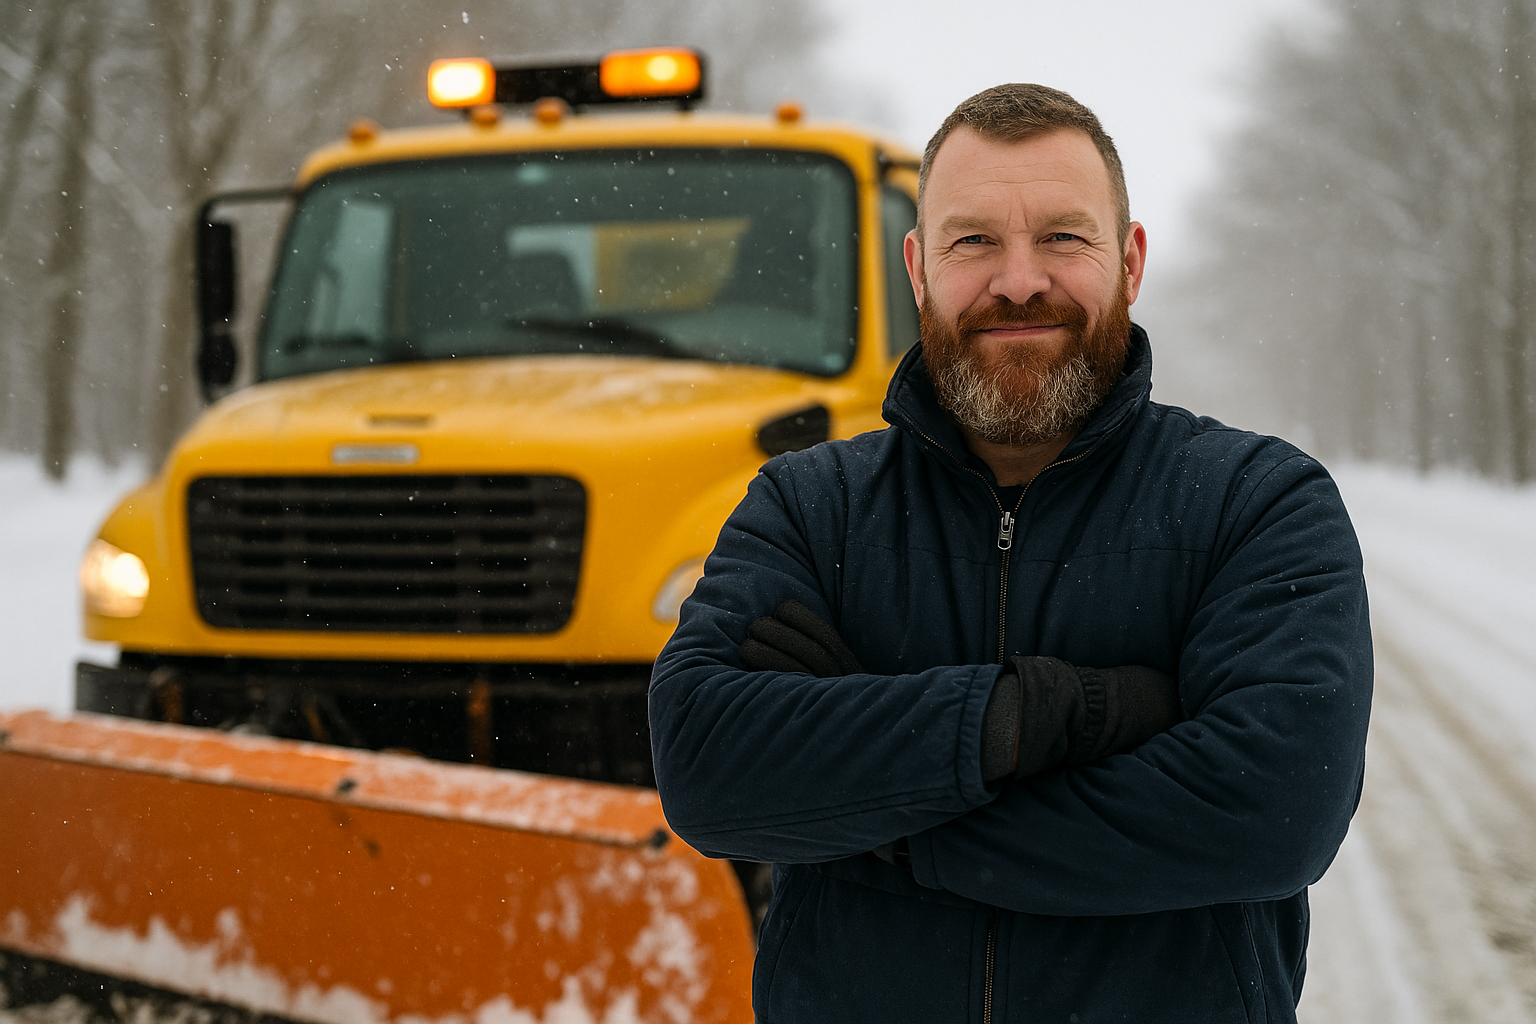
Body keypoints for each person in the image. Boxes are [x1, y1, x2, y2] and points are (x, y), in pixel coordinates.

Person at [649, 83, 1372, 1023]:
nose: (1019, 279)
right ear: (917, 268)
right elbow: (706, 767)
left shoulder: (1258, 502)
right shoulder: (808, 505)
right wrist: (1041, 716)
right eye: (974, 240)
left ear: (1131, 261)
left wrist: (887, 827)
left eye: (1064, 238)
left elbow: (1277, 811)